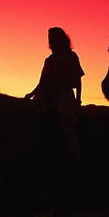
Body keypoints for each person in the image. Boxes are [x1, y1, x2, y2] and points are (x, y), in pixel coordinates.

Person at [25, 27, 84, 165]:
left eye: (52, 39)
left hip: (64, 96)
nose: (51, 42)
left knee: (66, 125)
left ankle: (74, 160)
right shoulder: (49, 60)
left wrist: (77, 99)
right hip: (45, 96)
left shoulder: (71, 56)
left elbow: (78, 80)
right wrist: (32, 94)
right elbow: (42, 82)